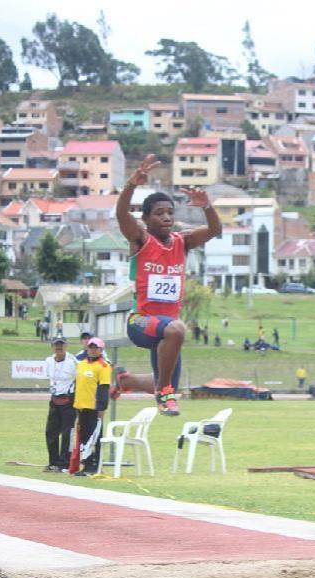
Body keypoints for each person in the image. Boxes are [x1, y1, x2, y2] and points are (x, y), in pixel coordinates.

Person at [117, 154, 221, 417]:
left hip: (166, 329)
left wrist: (206, 206)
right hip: (140, 321)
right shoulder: (141, 239)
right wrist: (131, 185)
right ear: (147, 218)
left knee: (169, 381)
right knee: (177, 330)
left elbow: (214, 230)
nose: (166, 218)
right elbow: (121, 215)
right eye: (159, 213)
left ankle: (125, 381)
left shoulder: (181, 242)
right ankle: (164, 393)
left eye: (170, 213)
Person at [72, 337, 111, 475]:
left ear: (101, 350)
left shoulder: (104, 366)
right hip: (81, 407)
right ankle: (87, 464)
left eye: (96, 348)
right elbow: (78, 385)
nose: (93, 350)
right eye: (91, 347)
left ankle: (95, 466)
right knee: (84, 437)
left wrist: (102, 409)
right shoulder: (81, 364)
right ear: (87, 349)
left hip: (94, 408)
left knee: (95, 438)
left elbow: (104, 389)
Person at [43, 337, 77, 472]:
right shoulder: (49, 361)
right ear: (52, 347)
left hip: (68, 401)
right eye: (56, 345)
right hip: (54, 400)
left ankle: (64, 463)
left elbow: (80, 378)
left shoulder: (72, 362)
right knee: (50, 431)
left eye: (61, 345)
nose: (59, 348)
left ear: (66, 346)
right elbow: (50, 378)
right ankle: (53, 462)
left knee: (67, 433)